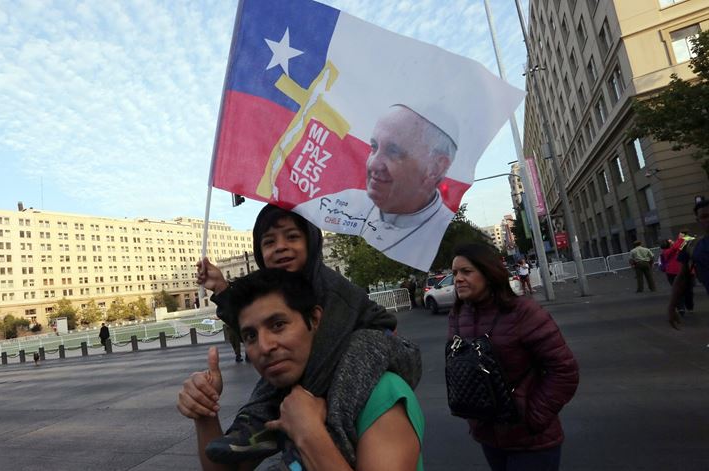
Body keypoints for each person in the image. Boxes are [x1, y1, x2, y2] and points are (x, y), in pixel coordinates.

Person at [196, 204, 420, 465]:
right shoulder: (285, 292)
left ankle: (334, 434)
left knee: (338, 359)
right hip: (334, 353)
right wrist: (222, 290)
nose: (280, 247)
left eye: (292, 237)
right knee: (279, 365)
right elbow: (256, 318)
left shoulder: (330, 289)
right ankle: (255, 423)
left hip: (376, 340)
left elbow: (326, 348)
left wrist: (308, 425)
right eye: (269, 242)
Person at [178, 269, 424, 470]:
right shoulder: (280, 396)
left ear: (315, 320)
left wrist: (309, 433)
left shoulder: (382, 394)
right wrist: (205, 411)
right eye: (251, 335)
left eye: (278, 325)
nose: (265, 347)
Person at [447, 243, 579, 471]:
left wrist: (533, 418)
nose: (458, 278)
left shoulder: (524, 312)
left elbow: (564, 371)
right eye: (455, 273)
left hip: (532, 442)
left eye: (466, 271)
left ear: (488, 273)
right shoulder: (458, 315)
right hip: (488, 436)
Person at [359, 105, 458, 269]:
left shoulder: (446, 231)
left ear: (434, 167)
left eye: (393, 151)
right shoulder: (347, 202)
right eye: (374, 147)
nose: (373, 164)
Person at [668, 199, 709, 329]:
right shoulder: (693, 246)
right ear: (698, 220)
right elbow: (682, 277)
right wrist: (672, 306)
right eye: (704, 216)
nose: (708, 219)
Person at [660, 239, 693, 316]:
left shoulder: (676, 249)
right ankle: (681, 307)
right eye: (670, 242)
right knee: (678, 290)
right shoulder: (667, 251)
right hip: (673, 272)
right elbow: (675, 247)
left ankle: (685, 306)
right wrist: (680, 239)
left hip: (678, 272)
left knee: (685, 289)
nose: (672, 242)